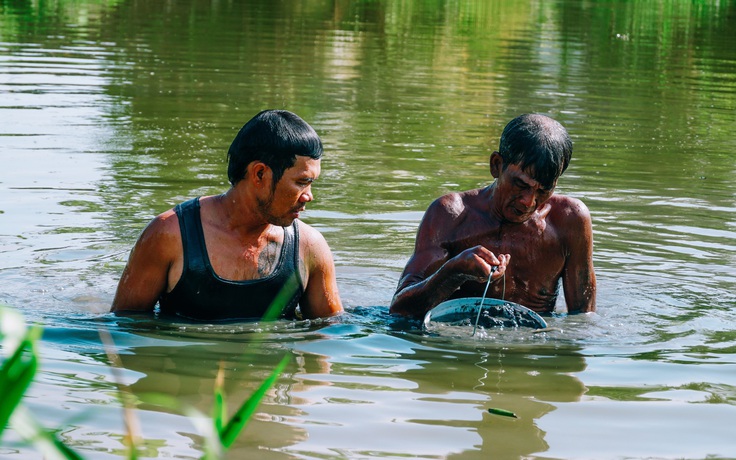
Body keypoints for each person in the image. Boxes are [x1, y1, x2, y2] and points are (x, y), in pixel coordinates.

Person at [111, 109, 343, 321]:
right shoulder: (169, 236)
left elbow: (330, 335)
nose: (308, 196)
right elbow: (124, 328)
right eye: (302, 183)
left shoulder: (309, 247)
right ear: (260, 173)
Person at [390, 113, 596, 319]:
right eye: (520, 184)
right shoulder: (450, 215)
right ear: (496, 165)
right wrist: (454, 272)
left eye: (543, 190)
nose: (529, 201)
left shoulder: (569, 220)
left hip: (533, 344)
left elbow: (583, 319)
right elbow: (400, 310)